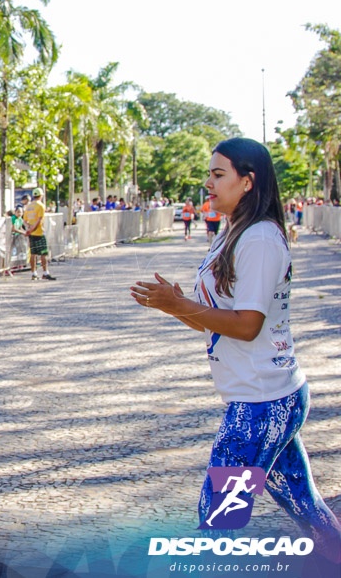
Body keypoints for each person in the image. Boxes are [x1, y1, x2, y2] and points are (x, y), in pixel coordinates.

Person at [130, 138, 341, 563]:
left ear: (247, 182)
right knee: (306, 507)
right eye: (209, 173)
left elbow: (248, 325)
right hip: (262, 396)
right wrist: (175, 307)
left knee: (218, 520)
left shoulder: (260, 238)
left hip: (263, 403)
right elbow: (211, 322)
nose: (208, 182)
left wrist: (184, 305)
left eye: (218, 174)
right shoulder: (231, 234)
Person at [24, 188, 55, 281]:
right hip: (39, 232)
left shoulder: (28, 206)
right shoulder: (41, 206)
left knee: (33, 253)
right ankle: (45, 272)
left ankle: (34, 273)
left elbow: (25, 220)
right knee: (44, 253)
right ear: (41, 196)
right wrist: (33, 228)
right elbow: (39, 219)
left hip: (31, 233)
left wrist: (29, 228)